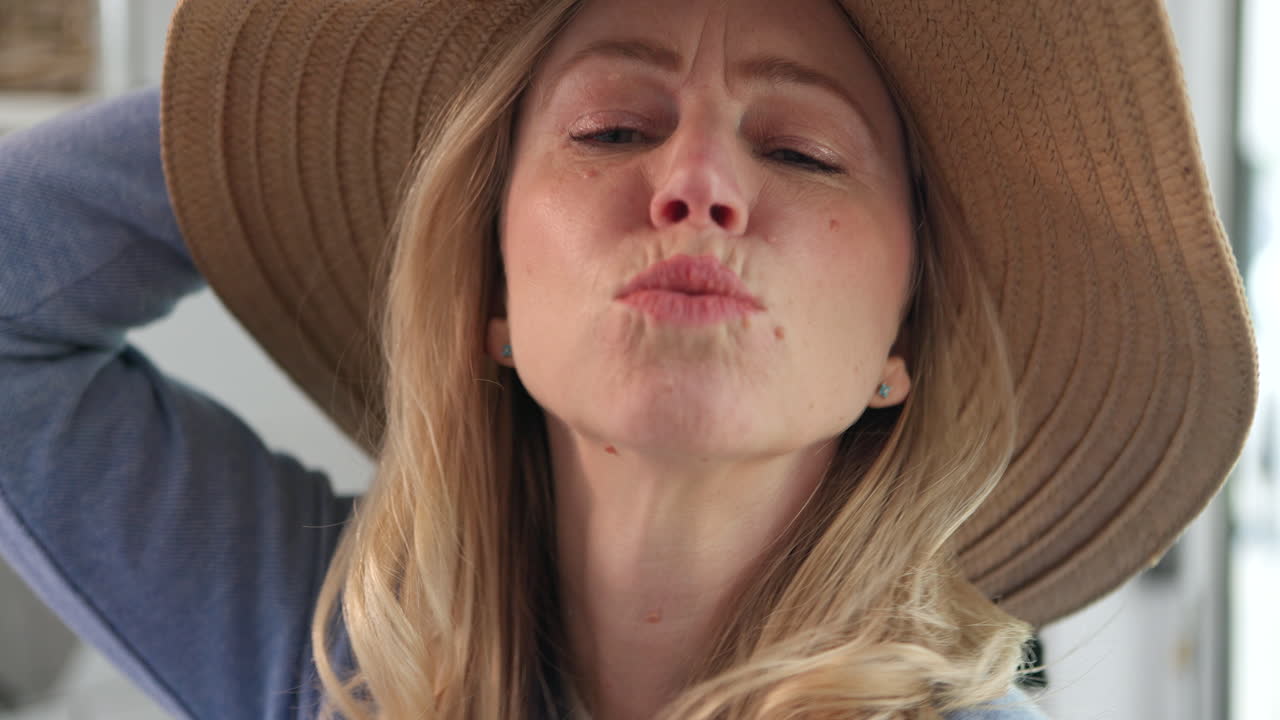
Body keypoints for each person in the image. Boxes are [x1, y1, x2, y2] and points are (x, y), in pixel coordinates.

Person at [0, 0, 1256, 717]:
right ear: (487, 294)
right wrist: (297, 134)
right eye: (610, 129)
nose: (698, 183)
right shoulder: (336, 662)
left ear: (901, 340)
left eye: (804, 152)